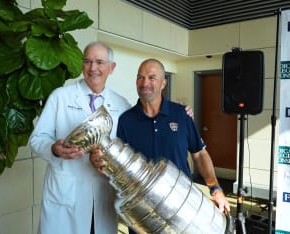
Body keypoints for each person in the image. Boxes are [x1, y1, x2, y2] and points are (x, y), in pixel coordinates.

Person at [91, 58, 230, 234]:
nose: (145, 83)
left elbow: (199, 153)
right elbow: (119, 165)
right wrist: (101, 163)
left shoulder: (181, 114)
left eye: (152, 77)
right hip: (144, 214)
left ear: (163, 83)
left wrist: (215, 188)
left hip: (183, 209)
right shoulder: (125, 121)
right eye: (140, 77)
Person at [29, 41, 132, 234]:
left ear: (112, 68)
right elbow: (37, 139)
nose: (93, 68)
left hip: (102, 195)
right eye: (88, 61)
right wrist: (54, 149)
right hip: (66, 195)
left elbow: (129, 145)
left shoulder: (122, 104)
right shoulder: (60, 97)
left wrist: (180, 112)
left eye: (100, 62)